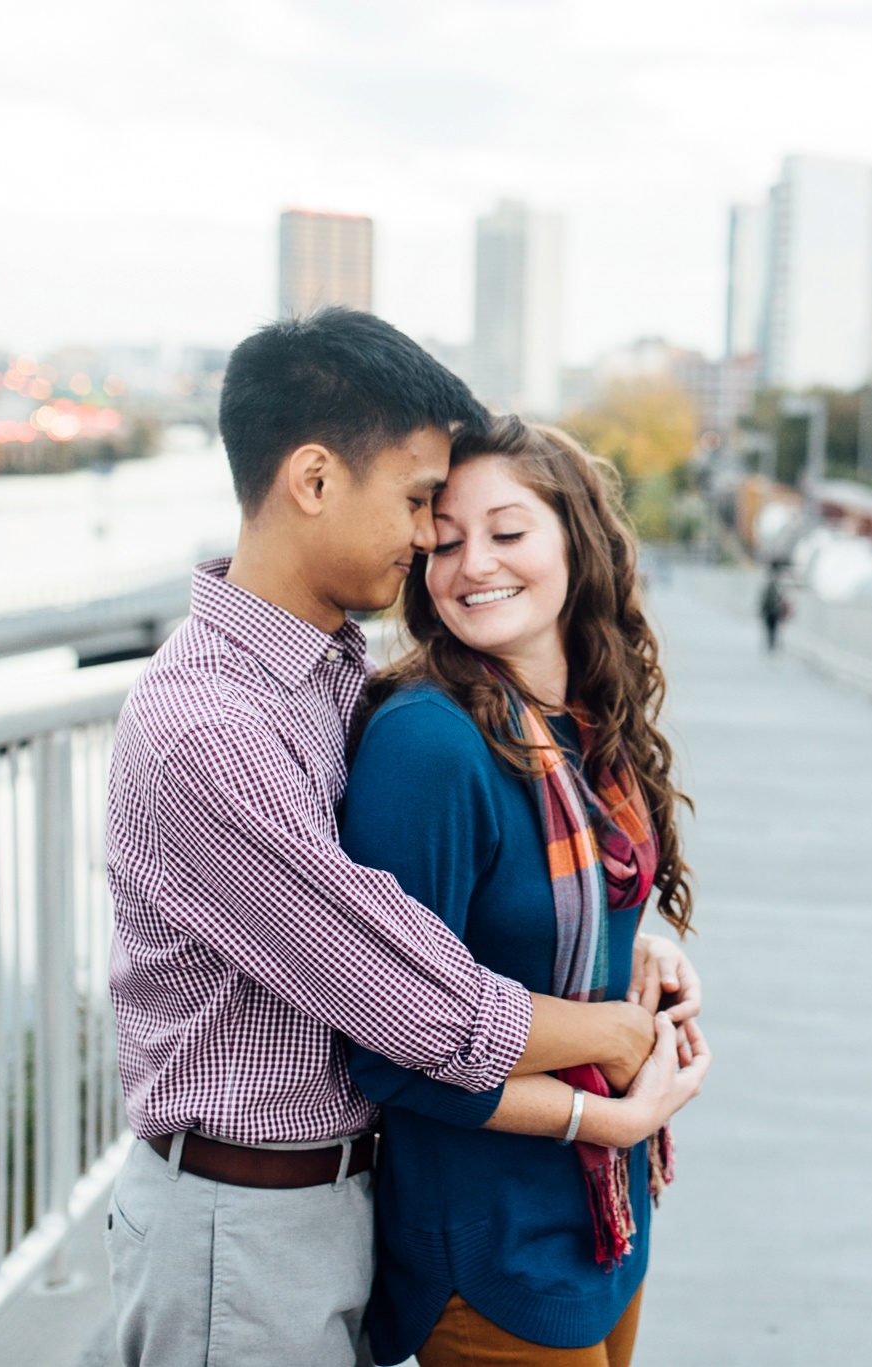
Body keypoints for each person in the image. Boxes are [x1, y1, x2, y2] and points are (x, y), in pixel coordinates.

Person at [102, 309, 699, 1367]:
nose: (433, 537)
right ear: (315, 480)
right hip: (237, 1225)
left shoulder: (321, 675)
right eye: (422, 501)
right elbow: (416, 1003)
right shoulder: (208, 730)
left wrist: (622, 942)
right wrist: (614, 1036)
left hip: (327, 1198)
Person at [341, 416, 711, 1367]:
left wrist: (641, 950)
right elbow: (390, 1044)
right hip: (493, 1244)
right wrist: (606, 1103)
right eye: (445, 540)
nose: (473, 565)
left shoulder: (581, 720)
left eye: (507, 533)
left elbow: (564, 909)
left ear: (574, 542)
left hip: (603, 1220)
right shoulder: (429, 744)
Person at [759, 569, 790, 652]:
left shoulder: (770, 588)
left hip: (771, 612)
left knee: (771, 629)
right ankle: (772, 644)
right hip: (773, 612)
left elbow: (764, 600)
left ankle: (771, 644)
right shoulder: (776, 589)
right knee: (772, 629)